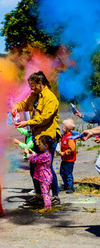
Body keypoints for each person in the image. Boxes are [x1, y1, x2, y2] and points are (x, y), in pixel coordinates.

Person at [11, 71, 61, 206]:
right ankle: (39, 195)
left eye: (32, 85)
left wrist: (27, 123)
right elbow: (25, 104)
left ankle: (54, 195)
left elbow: (45, 118)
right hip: (36, 137)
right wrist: (16, 107)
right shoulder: (35, 95)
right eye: (30, 86)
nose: (31, 88)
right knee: (34, 166)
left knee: (47, 166)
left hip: (48, 138)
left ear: (40, 83)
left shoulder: (50, 98)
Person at [24, 135, 54, 210]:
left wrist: (28, 155)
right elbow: (38, 156)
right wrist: (33, 153)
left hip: (44, 177)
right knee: (46, 192)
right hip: (46, 176)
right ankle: (48, 205)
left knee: (44, 193)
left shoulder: (45, 156)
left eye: (40, 144)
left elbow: (35, 160)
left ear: (46, 146)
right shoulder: (47, 154)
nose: (39, 145)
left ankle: (47, 207)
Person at [59, 119, 77, 193]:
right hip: (64, 159)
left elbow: (72, 149)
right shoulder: (64, 136)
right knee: (62, 172)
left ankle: (70, 186)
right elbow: (60, 140)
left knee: (68, 173)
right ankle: (65, 185)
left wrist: (64, 153)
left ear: (67, 128)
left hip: (69, 159)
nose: (62, 128)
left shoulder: (70, 138)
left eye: (63, 127)